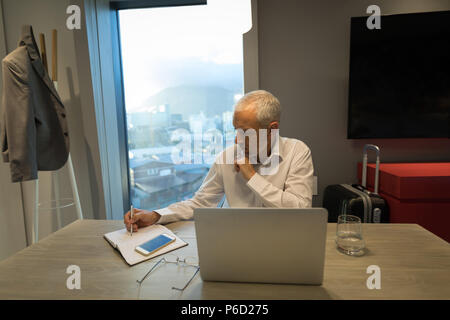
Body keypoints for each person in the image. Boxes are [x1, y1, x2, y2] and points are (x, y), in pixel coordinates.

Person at [124, 90, 314, 232]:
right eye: (235, 131)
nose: (237, 141)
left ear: (272, 129)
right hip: (235, 240)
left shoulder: (297, 152)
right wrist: (156, 216)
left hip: (282, 240)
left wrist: (252, 177)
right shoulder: (226, 157)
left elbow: (301, 210)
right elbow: (200, 202)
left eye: (245, 133)